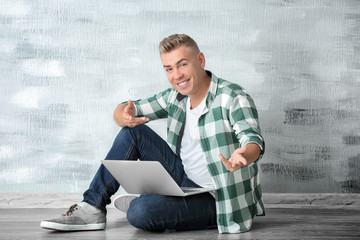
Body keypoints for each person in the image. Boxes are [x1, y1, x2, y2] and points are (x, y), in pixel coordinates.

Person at [40, 33, 265, 234]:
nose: (177, 75)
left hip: (219, 196)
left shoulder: (232, 97)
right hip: (185, 179)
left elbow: (252, 139)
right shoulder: (175, 96)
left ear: (200, 60)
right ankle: (92, 207)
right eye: (169, 68)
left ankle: (150, 203)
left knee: (140, 212)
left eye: (182, 64)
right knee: (133, 132)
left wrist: (243, 155)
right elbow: (126, 108)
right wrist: (123, 116)